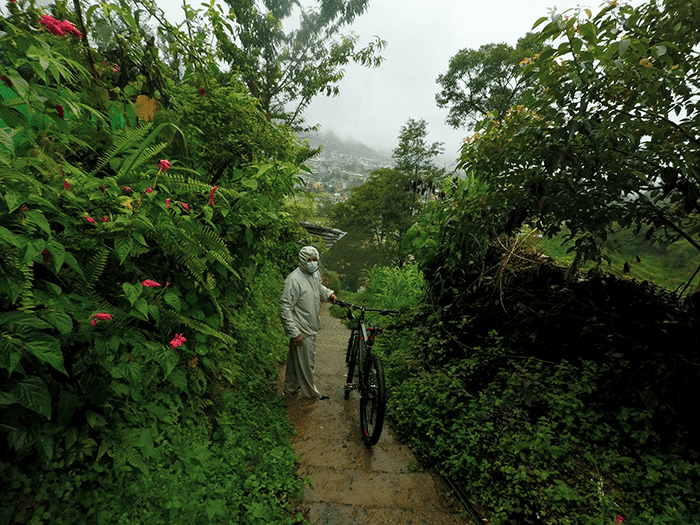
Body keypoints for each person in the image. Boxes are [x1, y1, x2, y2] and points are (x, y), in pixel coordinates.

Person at [279, 246, 336, 400]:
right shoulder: (293, 280)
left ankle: (290, 387)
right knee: (307, 363)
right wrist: (294, 332)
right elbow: (285, 307)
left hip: (309, 326)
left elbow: (318, 289)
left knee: (294, 360)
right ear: (302, 261)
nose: (312, 263)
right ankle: (311, 394)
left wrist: (329, 295)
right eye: (309, 260)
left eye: (314, 260)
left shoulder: (314, 274)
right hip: (302, 329)